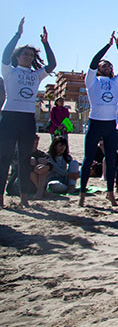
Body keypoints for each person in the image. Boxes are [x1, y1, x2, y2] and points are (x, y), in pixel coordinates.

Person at [1, 17, 56, 207]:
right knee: (4, 157)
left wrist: (46, 43)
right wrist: (18, 34)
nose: (29, 57)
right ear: (18, 57)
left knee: (25, 158)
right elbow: (5, 54)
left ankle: (24, 197)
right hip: (9, 116)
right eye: (25, 54)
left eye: (31, 55)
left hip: (27, 119)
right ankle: (0, 197)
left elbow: (52, 65)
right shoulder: (9, 71)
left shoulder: (36, 75)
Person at [79, 31, 118, 207]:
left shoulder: (116, 82)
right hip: (95, 122)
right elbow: (93, 61)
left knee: (111, 158)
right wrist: (108, 46)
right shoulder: (91, 81)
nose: (106, 66)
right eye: (103, 64)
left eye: (109, 65)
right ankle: (82, 192)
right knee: (88, 158)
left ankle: (110, 192)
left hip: (110, 125)